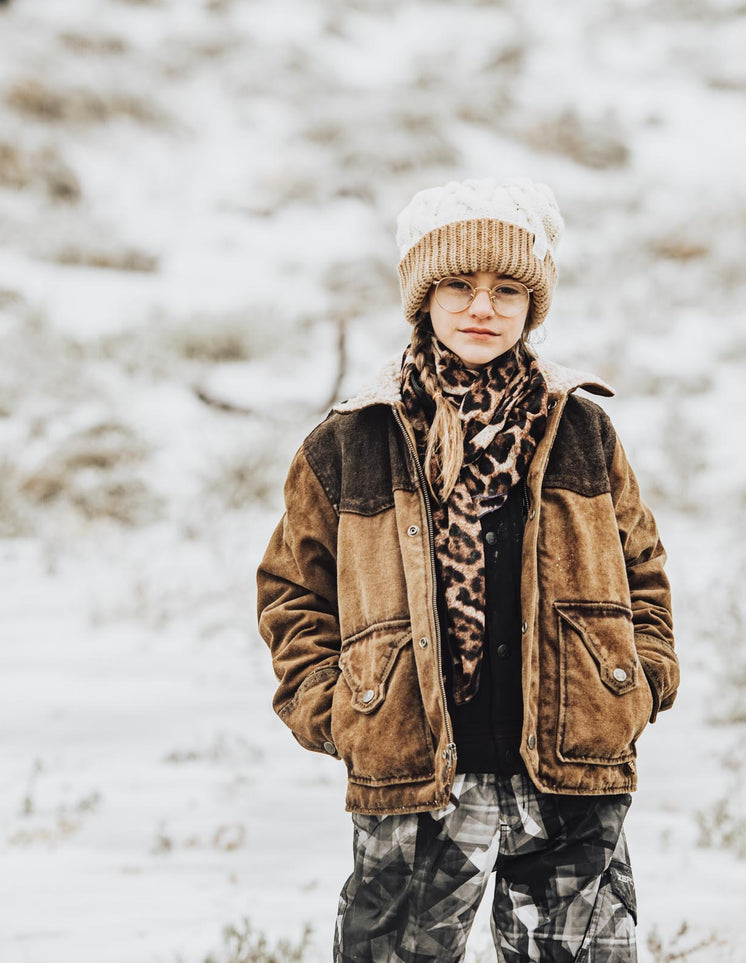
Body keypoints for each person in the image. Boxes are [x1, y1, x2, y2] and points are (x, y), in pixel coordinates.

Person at [256, 176, 678, 963]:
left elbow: (641, 568)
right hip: (414, 775)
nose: (480, 307)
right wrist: (342, 711)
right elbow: (291, 593)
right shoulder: (351, 442)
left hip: (569, 767)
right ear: (423, 298)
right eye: (457, 284)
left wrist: (637, 680)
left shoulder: (582, 428)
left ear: (531, 305)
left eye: (505, 289)